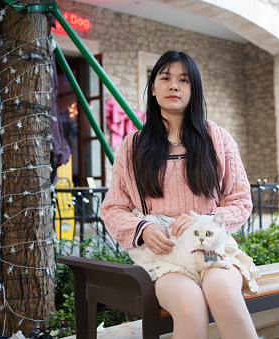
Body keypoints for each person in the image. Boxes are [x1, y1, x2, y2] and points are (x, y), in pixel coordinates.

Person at [100, 51, 260, 339]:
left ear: (193, 89)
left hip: (210, 252)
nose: (174, 86)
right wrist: (143, 228)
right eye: (165, 78)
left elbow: (240, 200)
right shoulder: (132, 146)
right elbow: (113, 208)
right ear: (153, 87)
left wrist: (205, 222)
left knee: (222, 290)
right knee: (189, 304)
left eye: (183, 80)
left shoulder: (218, 139)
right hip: (165, 259)